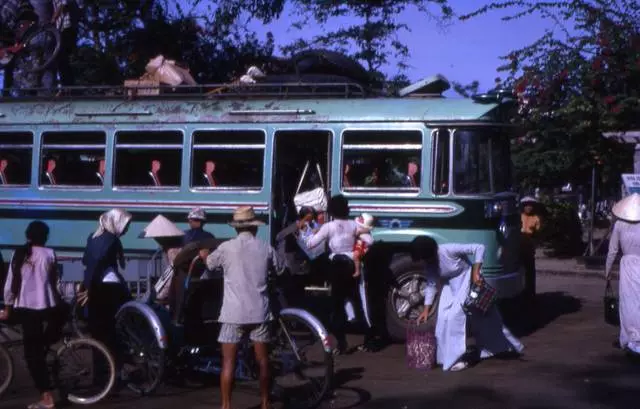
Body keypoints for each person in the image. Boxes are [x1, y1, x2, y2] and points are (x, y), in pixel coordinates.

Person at [199, 206, 285, 409]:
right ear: (254, 227)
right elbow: (280, 268)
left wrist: (204, 255)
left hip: (233, 313)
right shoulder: (265, 247)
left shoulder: (226, 248)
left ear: (236, 228)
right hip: (259, 312)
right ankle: (265, 403)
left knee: (228, 362)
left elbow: (210, 264)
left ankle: (226, 406)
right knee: (263, 361)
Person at [412, 236, 524, 371]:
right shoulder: (430, 265)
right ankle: (446, 356)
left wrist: (476, 271)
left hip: (467, 279)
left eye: (426, 258)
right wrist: (426, 309)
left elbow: (479, 247)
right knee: (443, 319)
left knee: (455, 318)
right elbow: (431, 284)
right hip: (451, 286)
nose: (426, 261)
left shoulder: (447, 250)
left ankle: (459, 358)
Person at [1, 221, 66, 409]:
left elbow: (10, 284)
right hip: (48, 307)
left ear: (28, 235)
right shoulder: (50, 254)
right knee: (39, 349)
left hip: (26, 308)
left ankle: (47, 398)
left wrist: (7, 307)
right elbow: (56, 283)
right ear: (45, 237)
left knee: (33, 356)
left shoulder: (19, 253)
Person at [305, 194, 373, 354]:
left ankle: (341, 342)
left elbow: (310, 244)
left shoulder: (329, 227)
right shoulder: (353, 225)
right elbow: (369, 241)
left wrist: (309, 231)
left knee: (336, 306)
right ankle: (368, 338)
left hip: (335, 267)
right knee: (358, 302)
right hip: (351, 266)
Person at [81, 208, 132, 355]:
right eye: (125, 224)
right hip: (107, 286)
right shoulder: (111, 239)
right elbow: (99, 262)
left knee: (97, 329)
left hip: (95, 283)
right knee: (110, 326)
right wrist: (91, 289)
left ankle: (104, 365)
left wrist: (87, 284)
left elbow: (86, 260)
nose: (126, 228)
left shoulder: (93, 237)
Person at [605, 193, 640, 354]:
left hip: (627, 265)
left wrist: (608, 271)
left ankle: (630, 336)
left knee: (628, 303)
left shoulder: (619, 225)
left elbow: (612, 251)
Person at [51, 0, 77, 87]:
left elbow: (64, 3)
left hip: (67, 27)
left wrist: (54, 18)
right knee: (61, 58)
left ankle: (68, 85)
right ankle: (66, 85)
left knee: (62, 55)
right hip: (61, 28)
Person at [520, 196, 542, 299]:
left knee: (530, 271)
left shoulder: (536, 218)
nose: (528, 207)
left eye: (530, 205)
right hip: (519, 246)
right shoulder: (519, 217)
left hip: (529, 246)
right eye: (526, 205)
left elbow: (538, 234)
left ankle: (531, 294)